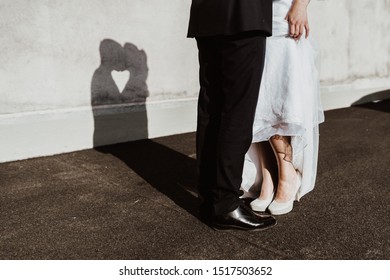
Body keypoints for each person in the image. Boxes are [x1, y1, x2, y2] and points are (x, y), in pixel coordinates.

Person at [187, 0, 277, 231]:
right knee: (237, 112)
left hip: (206, 16)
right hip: (244, 16)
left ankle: (210, 200)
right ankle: (225, 204)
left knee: (211, 109)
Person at [241, 0, 325, 215]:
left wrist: (301, 5)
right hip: (254, 15)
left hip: (283, 15)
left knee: (279, 99)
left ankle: (288, 175)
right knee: (258, 101)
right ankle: (269, 174)